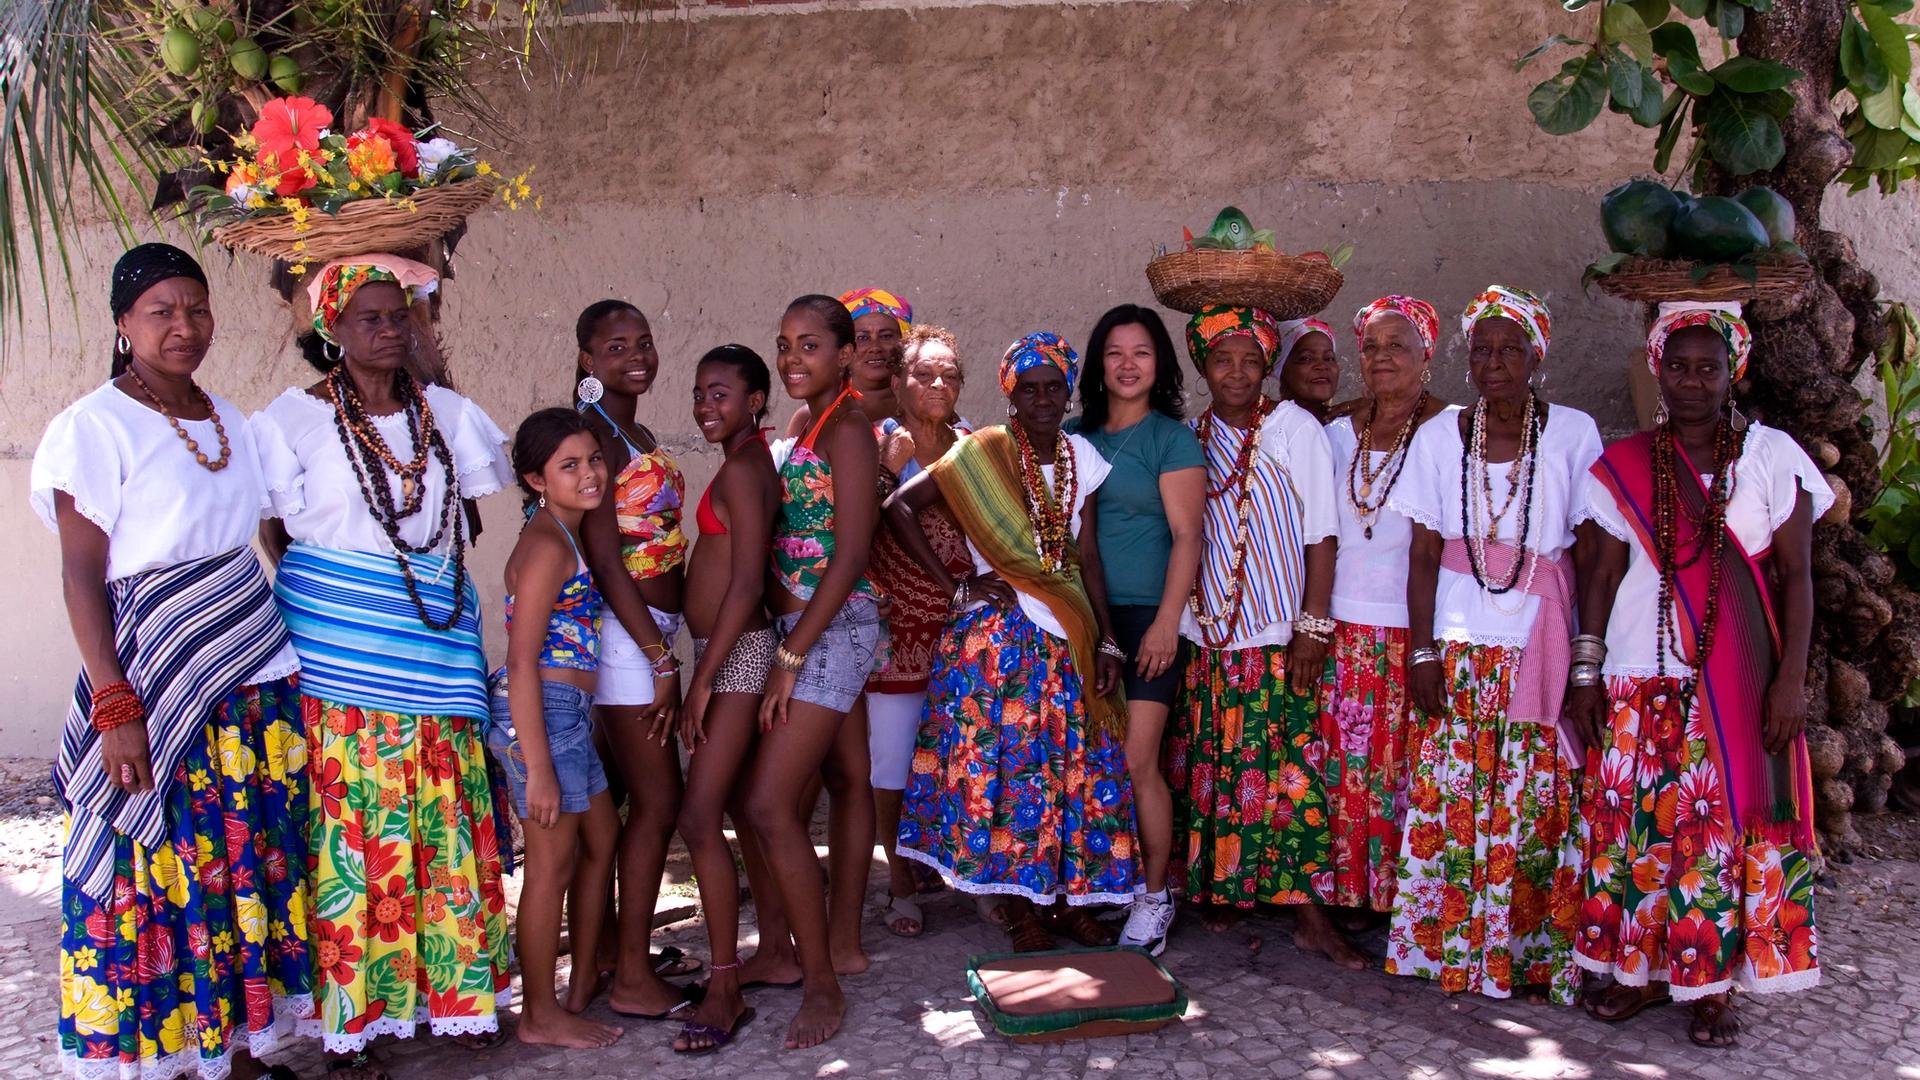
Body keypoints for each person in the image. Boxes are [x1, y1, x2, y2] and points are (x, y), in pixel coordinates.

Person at [38, 244, 307, 1080]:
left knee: (237, 863)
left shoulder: (228, 415)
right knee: (165, 864)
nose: (183, 326)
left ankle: (238, 1048)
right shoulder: (93, 426)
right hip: (155, 683)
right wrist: (116, 706)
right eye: (161, 311)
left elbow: (265, 533)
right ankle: (172, 1056)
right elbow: (82, 577)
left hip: (246, 679)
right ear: (123, 324)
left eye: (196, 308)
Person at [254, 254, 513, 1075]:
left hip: (434, 644)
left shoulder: (450, 413)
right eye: (369, 316)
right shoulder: (290, 422)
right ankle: (354, 1020)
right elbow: (276, 532)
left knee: (441, 817)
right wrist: (342, 602)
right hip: (339, 654)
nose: (389, 329)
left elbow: (455, 526)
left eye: (400, 315)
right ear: (331, 328)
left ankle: (456, 998)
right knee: (354, 829)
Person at [1570, 302, 1826, 1046]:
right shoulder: (1624, 464)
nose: (1690, 380)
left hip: (1739, 678)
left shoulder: (1775, 455)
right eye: (1676, 366)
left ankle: (1711, 985)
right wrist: (1587, 669)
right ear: (1658, 368)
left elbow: (1799, 577)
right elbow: (1600, 571)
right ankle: (1643, 974)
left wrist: (1792, 681)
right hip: (1635, 671)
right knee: (1641, 830)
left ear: (1731, 372)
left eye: (1706, 367)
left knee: (1715, 837)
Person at [889, 332, 1139, 952]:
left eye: (1055, 387)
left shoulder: (1085, 457)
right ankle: (1016, 908)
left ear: (1069, 391)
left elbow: (1087, 557)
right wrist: (960, 581)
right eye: (1029, 389)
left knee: (1066, 772)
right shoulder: (985, 452)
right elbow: (899, 505)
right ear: (1011, 395)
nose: (1044, 399)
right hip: (999, 643)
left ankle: (1066, 902)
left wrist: (1107, 639)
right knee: (1006, 773)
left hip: (1069, 635)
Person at [1386, 285, 1601, 1005]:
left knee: (1532, 802)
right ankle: (1450, 950)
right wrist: (1420, 653)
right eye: (1482, 349)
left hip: (1537, 646)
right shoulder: (1441, 433)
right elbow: (1420, 554)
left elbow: (1598, 555)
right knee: (1455, 799)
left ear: (1537, 355)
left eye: (1511, 348)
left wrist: (1585, 660)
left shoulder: (1572, 433)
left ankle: (1525, 958)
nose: (1495, 361)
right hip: (1458, 646)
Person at [1165, 304, 1361, 968]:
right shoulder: (1187, 438)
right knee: (1216, 770)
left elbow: (1322, 535)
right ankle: (1225, 888)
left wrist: (1311, 627)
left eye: (1252, 360)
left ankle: (1308, 914)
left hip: (1277, 636)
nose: (1238, 373)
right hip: (1209, 634)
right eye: (1224, 359)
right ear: (1203, 366)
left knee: (1286, 775)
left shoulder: (1292, 428)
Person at [739, 295, 882, 1050]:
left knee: (766, 804)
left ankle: (819, 979)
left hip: (830, 630)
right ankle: (845, 944)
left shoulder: (851, 432)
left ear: (848, 353)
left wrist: (791, 658)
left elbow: (852, 553)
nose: (794, 359)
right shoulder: (812, 426)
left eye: (812, 346)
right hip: (810, 626)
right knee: (847, 780)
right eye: (785, 345)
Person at [569, 300, 697, 1018]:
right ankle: (629, 984)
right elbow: (606, 558)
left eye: (643, 341)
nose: (636, 356)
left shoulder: (632, 427)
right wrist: (658, 655)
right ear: (588, 361)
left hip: (646, 631)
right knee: (659, 801)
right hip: (629, 636)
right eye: (615, 347)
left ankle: (613, 958)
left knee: (621, 804)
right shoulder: (597, 436)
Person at [1066, 305, 1204, 956]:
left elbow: (1186, 536)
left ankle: (1154, 896)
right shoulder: (1071, 435)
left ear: (1161, 365)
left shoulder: (1170, 440)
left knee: (1138, 761)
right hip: (1082, 619)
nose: (1127, 364)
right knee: (1086, 762)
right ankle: (1094, 890)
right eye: (1114, 352)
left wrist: (1166, 625)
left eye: (1142, 352)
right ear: (1097, 364)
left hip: (1149, 616)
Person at [488, 409, 624, 1049]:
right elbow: (520, 659)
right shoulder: (545, 544)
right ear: (535, 479)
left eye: (593, 458)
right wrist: (536, 765)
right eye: (568, 466)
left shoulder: (565, 531)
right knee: (549, 865)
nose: (589, 473)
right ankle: (538, 1012)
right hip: (542, 715)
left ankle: (581, 982)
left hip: (564, 714)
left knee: (602, 834)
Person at [1319, 297, 1454, 920]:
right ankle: (1351, 893)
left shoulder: (1454, 432)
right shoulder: (1336, 433)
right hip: (1343, 628)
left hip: (1417, 631)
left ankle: (1405, 900)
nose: (1381, 358)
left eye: (1397, 345)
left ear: (1427, 354)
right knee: (1348, 765)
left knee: (1407, 764)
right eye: (1371, 347)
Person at [671, 345, 781, 1055]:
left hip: (737, 654)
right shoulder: (742, 462)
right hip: (727, 653)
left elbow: (744, 586)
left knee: (698, 814)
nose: (707, 406)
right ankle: (778, 950)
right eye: (699, 394)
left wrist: (705, 677)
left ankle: (725, 983)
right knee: (735, 807)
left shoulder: (745, 469)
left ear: (756, 401)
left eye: (721, 394)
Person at [866, 325, 973, 939]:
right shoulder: (878, 441)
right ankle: (901, 882)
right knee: (894, 762)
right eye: (923, 373)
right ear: (899, 382)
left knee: (964, 752)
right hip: (897, 626)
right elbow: (855, 527)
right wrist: (889, 470)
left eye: (948, 374)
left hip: (963, 627)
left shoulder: (971, 444)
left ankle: (964, 871)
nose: (937, 383)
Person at [1269, 317, 1342, 420]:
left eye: (1329, 358)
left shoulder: (1356, 424)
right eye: (1306, 358)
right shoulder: (1266, 428)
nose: (1322, 366)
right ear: (1282, 368)